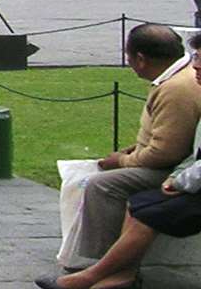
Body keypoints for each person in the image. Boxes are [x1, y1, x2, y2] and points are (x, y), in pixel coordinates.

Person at [38, 33, 201, 289]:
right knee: (140, 205)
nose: (196, 65)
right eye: (195, 57)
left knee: (104, 185)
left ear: (140, 58)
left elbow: (166, 153)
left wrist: (126, 162)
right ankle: (115, 271)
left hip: (179, 173)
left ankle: (98, 269)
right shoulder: (176, 82)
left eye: (200, 59)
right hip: (182, 171)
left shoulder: (177, 88)